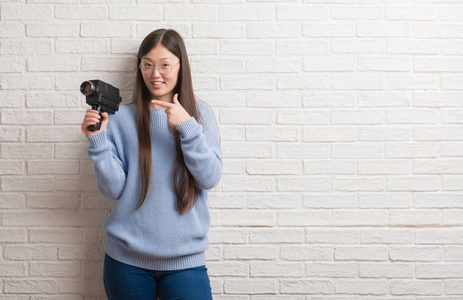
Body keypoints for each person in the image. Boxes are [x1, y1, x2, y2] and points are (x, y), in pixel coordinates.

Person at [81, 28, 222, 300]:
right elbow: (114, 190)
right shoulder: (121, 119)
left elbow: (210, 178)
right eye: (147, 65)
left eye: (165, 65)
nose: (155, 74)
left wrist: (188, 128)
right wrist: (98, 142)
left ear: (181, 67)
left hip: (185, 262)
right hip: (126, 262)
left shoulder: (200, 115)